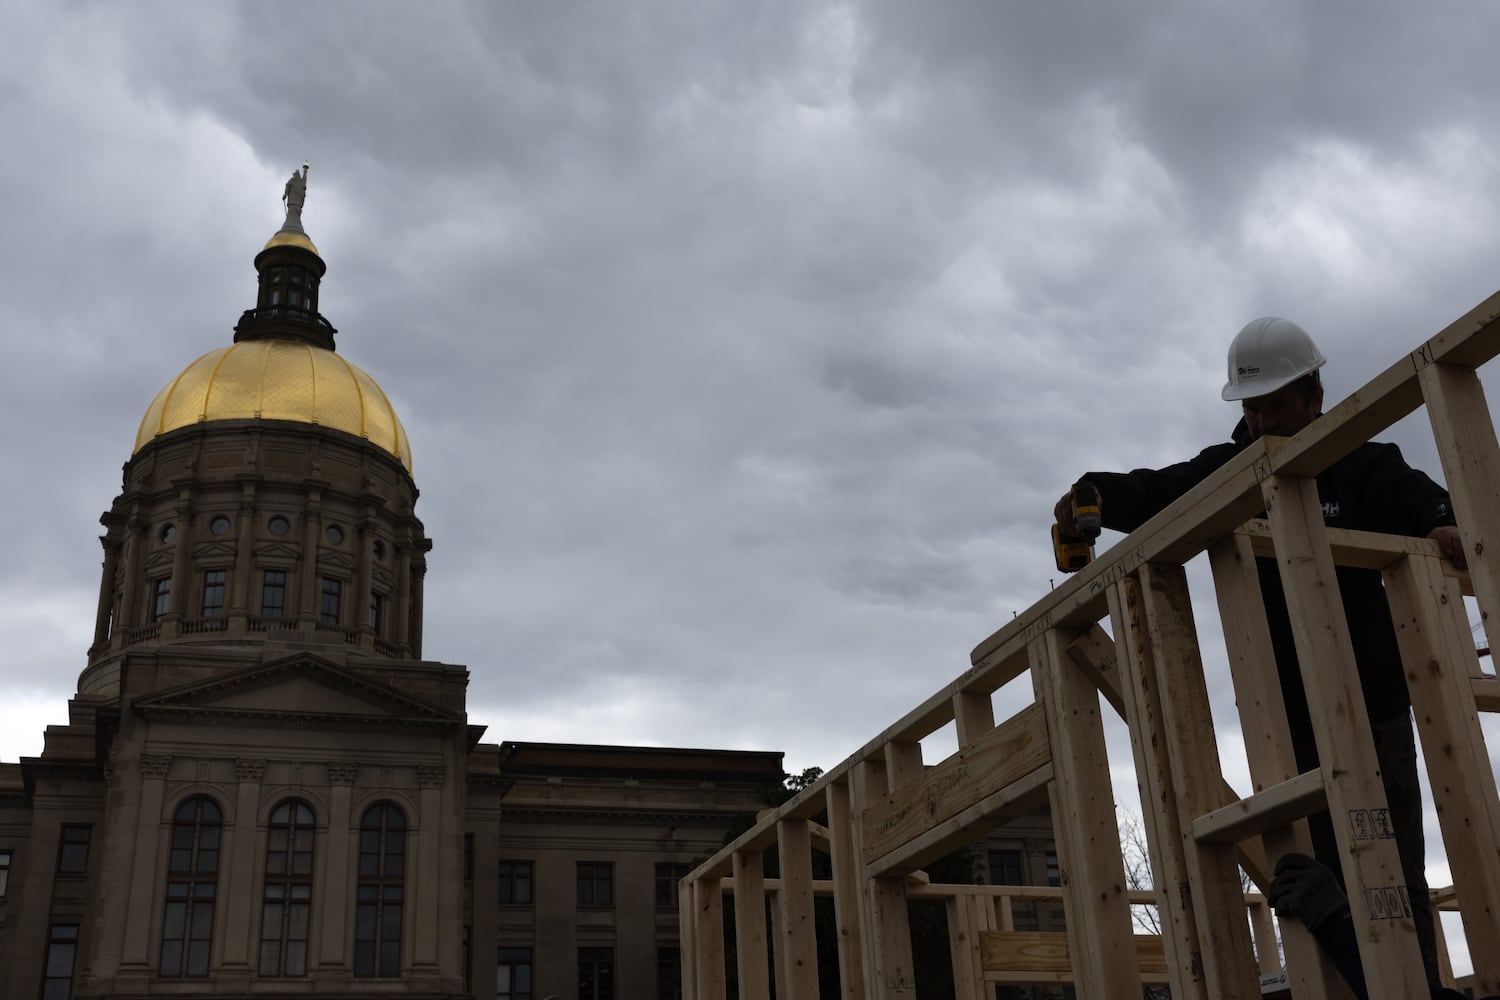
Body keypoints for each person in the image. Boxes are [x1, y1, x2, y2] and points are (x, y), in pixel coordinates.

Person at [1054, 316, 1464, 993]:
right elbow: (1158, 491)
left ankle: (1412, 986)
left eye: (1278, 403)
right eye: (1253, 406)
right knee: (1312, 872)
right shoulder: (1229, 471)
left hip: (1378, 700)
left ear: (1315, 398)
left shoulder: (1365, 464)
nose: (1265, 418)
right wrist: (1090, 493)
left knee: (1392, 867)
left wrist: (1443, 522)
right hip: (1284, 711)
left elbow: (1424, 500)